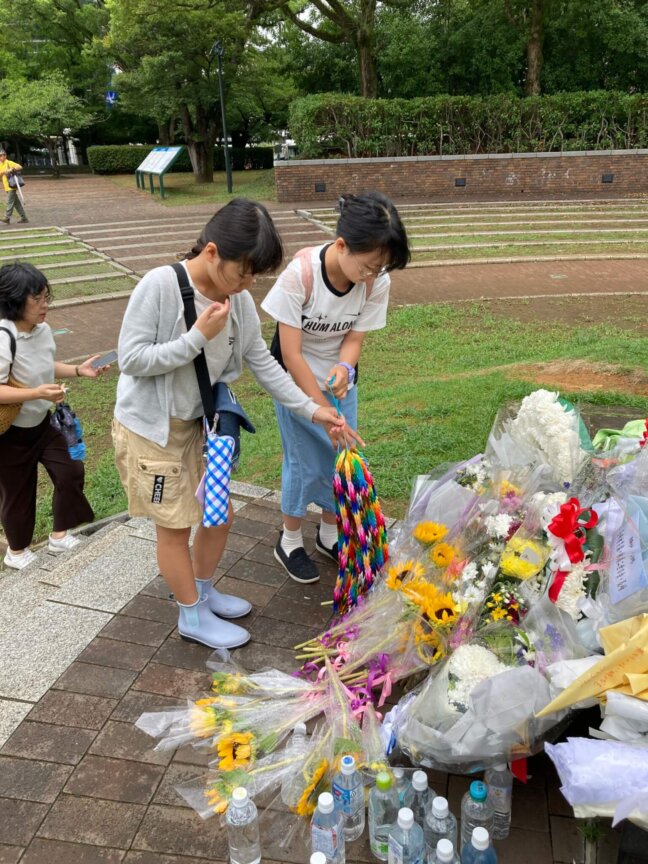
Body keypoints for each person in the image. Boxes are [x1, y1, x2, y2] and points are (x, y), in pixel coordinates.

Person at [112, 198, 355, 651]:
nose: (247, 283)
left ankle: (203, 594)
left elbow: (262, 362)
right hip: (153, 429)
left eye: (253, 274)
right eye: (242, 271)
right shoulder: (160, 286)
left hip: (203, 427)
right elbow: (132, 359)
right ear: (210, 252)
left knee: (217, 515)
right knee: (175, 525)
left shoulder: (238, 299)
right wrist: (195, 339)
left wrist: (312, 408)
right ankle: (191, 617)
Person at [261, 191, 410, 584]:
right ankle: (289, 540)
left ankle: (329, 534)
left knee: (339, 457)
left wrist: (344, 367)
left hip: (339, 383)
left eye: (380, 268)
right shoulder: (301, 275)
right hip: (296, 381)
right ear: (342, 245)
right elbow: (291, 354)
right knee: (302, 460)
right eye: (367, 267)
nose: (372, 276)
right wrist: (317, 409)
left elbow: (355, 338)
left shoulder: (376, 280)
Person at [0, 263, 107, 570]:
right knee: (18, 494)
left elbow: (46, 364)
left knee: (71, 470)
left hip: (43, 424)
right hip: (10, 434)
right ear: (15, 300)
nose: (46, 304)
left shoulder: (43, 331)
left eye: (47, 296)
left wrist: (77, 370)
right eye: (38, 298)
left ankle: (59, 536)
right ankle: (17, 553)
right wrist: (37, 394)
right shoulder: (4, 336)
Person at [0, 150, 28, 225]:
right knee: (16, 204)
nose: (0, 157)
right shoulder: (0, 164)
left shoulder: (9, 162)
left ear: (5, 156)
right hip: (6, 187)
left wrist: (11, 169)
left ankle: (7, 217)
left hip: (11, 186)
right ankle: (24, 218)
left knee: (10, 202)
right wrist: (4, 171)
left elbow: (19, 166)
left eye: (1, 155)